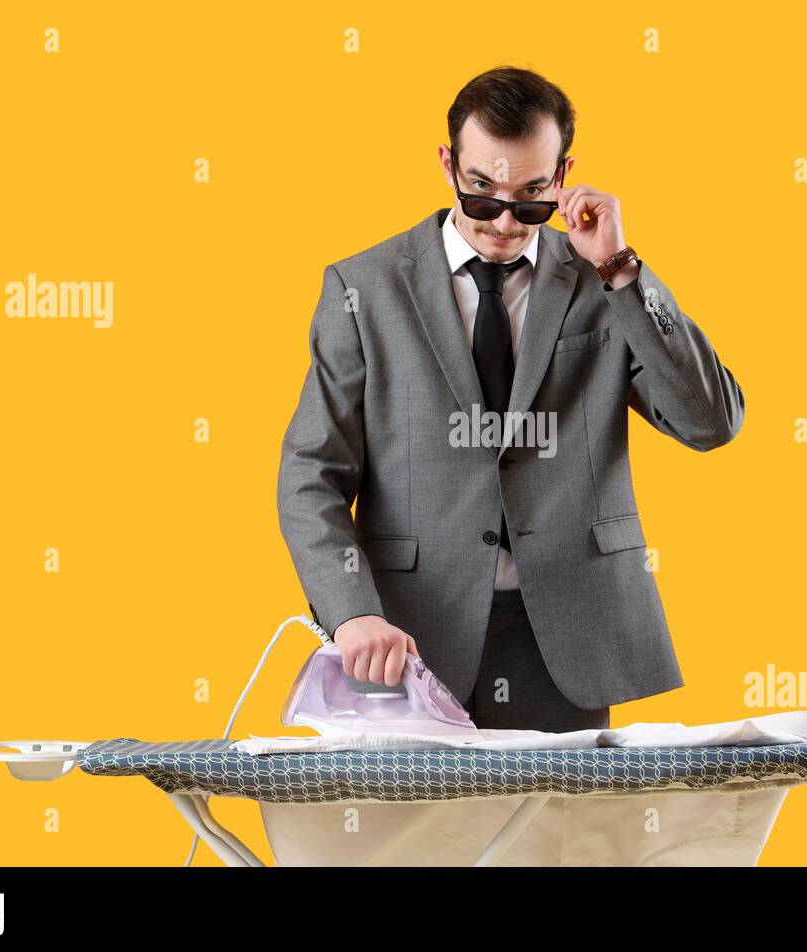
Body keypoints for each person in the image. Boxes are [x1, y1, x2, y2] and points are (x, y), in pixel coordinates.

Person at [277, 66, 744, 732]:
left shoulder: (601, 281)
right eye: (482, 193)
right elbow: (309, 475)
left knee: (555, 838)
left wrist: (619, 269)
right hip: (407, 638)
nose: (504, 220)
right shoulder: (364, 288)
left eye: (531, 198)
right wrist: (352, 613)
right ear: (448, 164)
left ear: (564, 175)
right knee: (415, 840)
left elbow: (711, 422)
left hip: (568, 640)